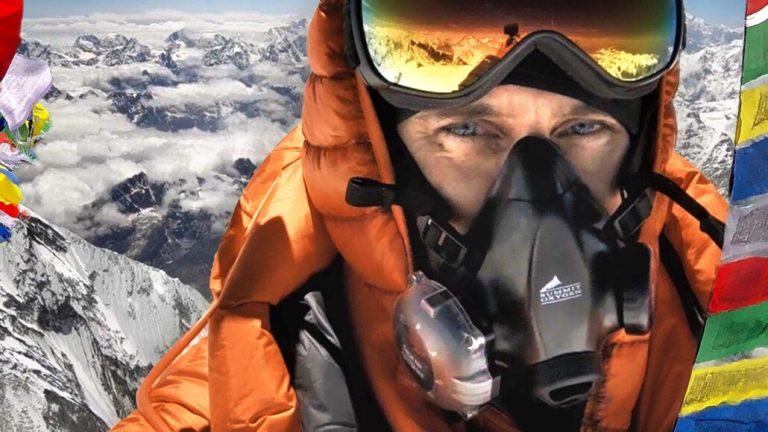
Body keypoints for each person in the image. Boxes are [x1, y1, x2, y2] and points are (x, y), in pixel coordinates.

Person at [112, 0, 728, 430]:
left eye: (584, 127)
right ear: (384, 167)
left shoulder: (726, 295)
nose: (539, 193)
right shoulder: (249, 380)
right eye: (466, 129)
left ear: (641, 151)